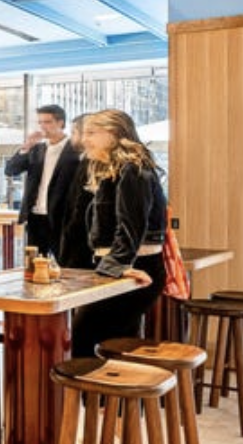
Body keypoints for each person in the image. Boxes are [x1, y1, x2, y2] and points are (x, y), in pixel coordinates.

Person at [68, 109, 168, 359]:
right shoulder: (117, 169)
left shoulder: (132, 169)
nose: (84, 139)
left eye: (91, 133)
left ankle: (97, 396)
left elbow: (131, 225)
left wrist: (119, 265)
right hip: (124, 266)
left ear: (113, 134)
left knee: (83, 335)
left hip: (135, 266)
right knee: (115, 341)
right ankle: (117, 398)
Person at [4, 103, 81, 255]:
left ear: (61, 123)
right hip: (35, 217)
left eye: (47, 122)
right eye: (40, 122)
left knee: (64, 264)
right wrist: (26, 147)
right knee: (34, 265)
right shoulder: (36, 149)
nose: (42, 126)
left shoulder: (75, 150)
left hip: (62, 218)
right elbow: (10, 170)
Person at [57, 114, 97, 269]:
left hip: (83, 243)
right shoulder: (84, 160)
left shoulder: (92, 163)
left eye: (73, 132)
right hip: (76, 238)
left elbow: (82, 205)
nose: (70, 137)